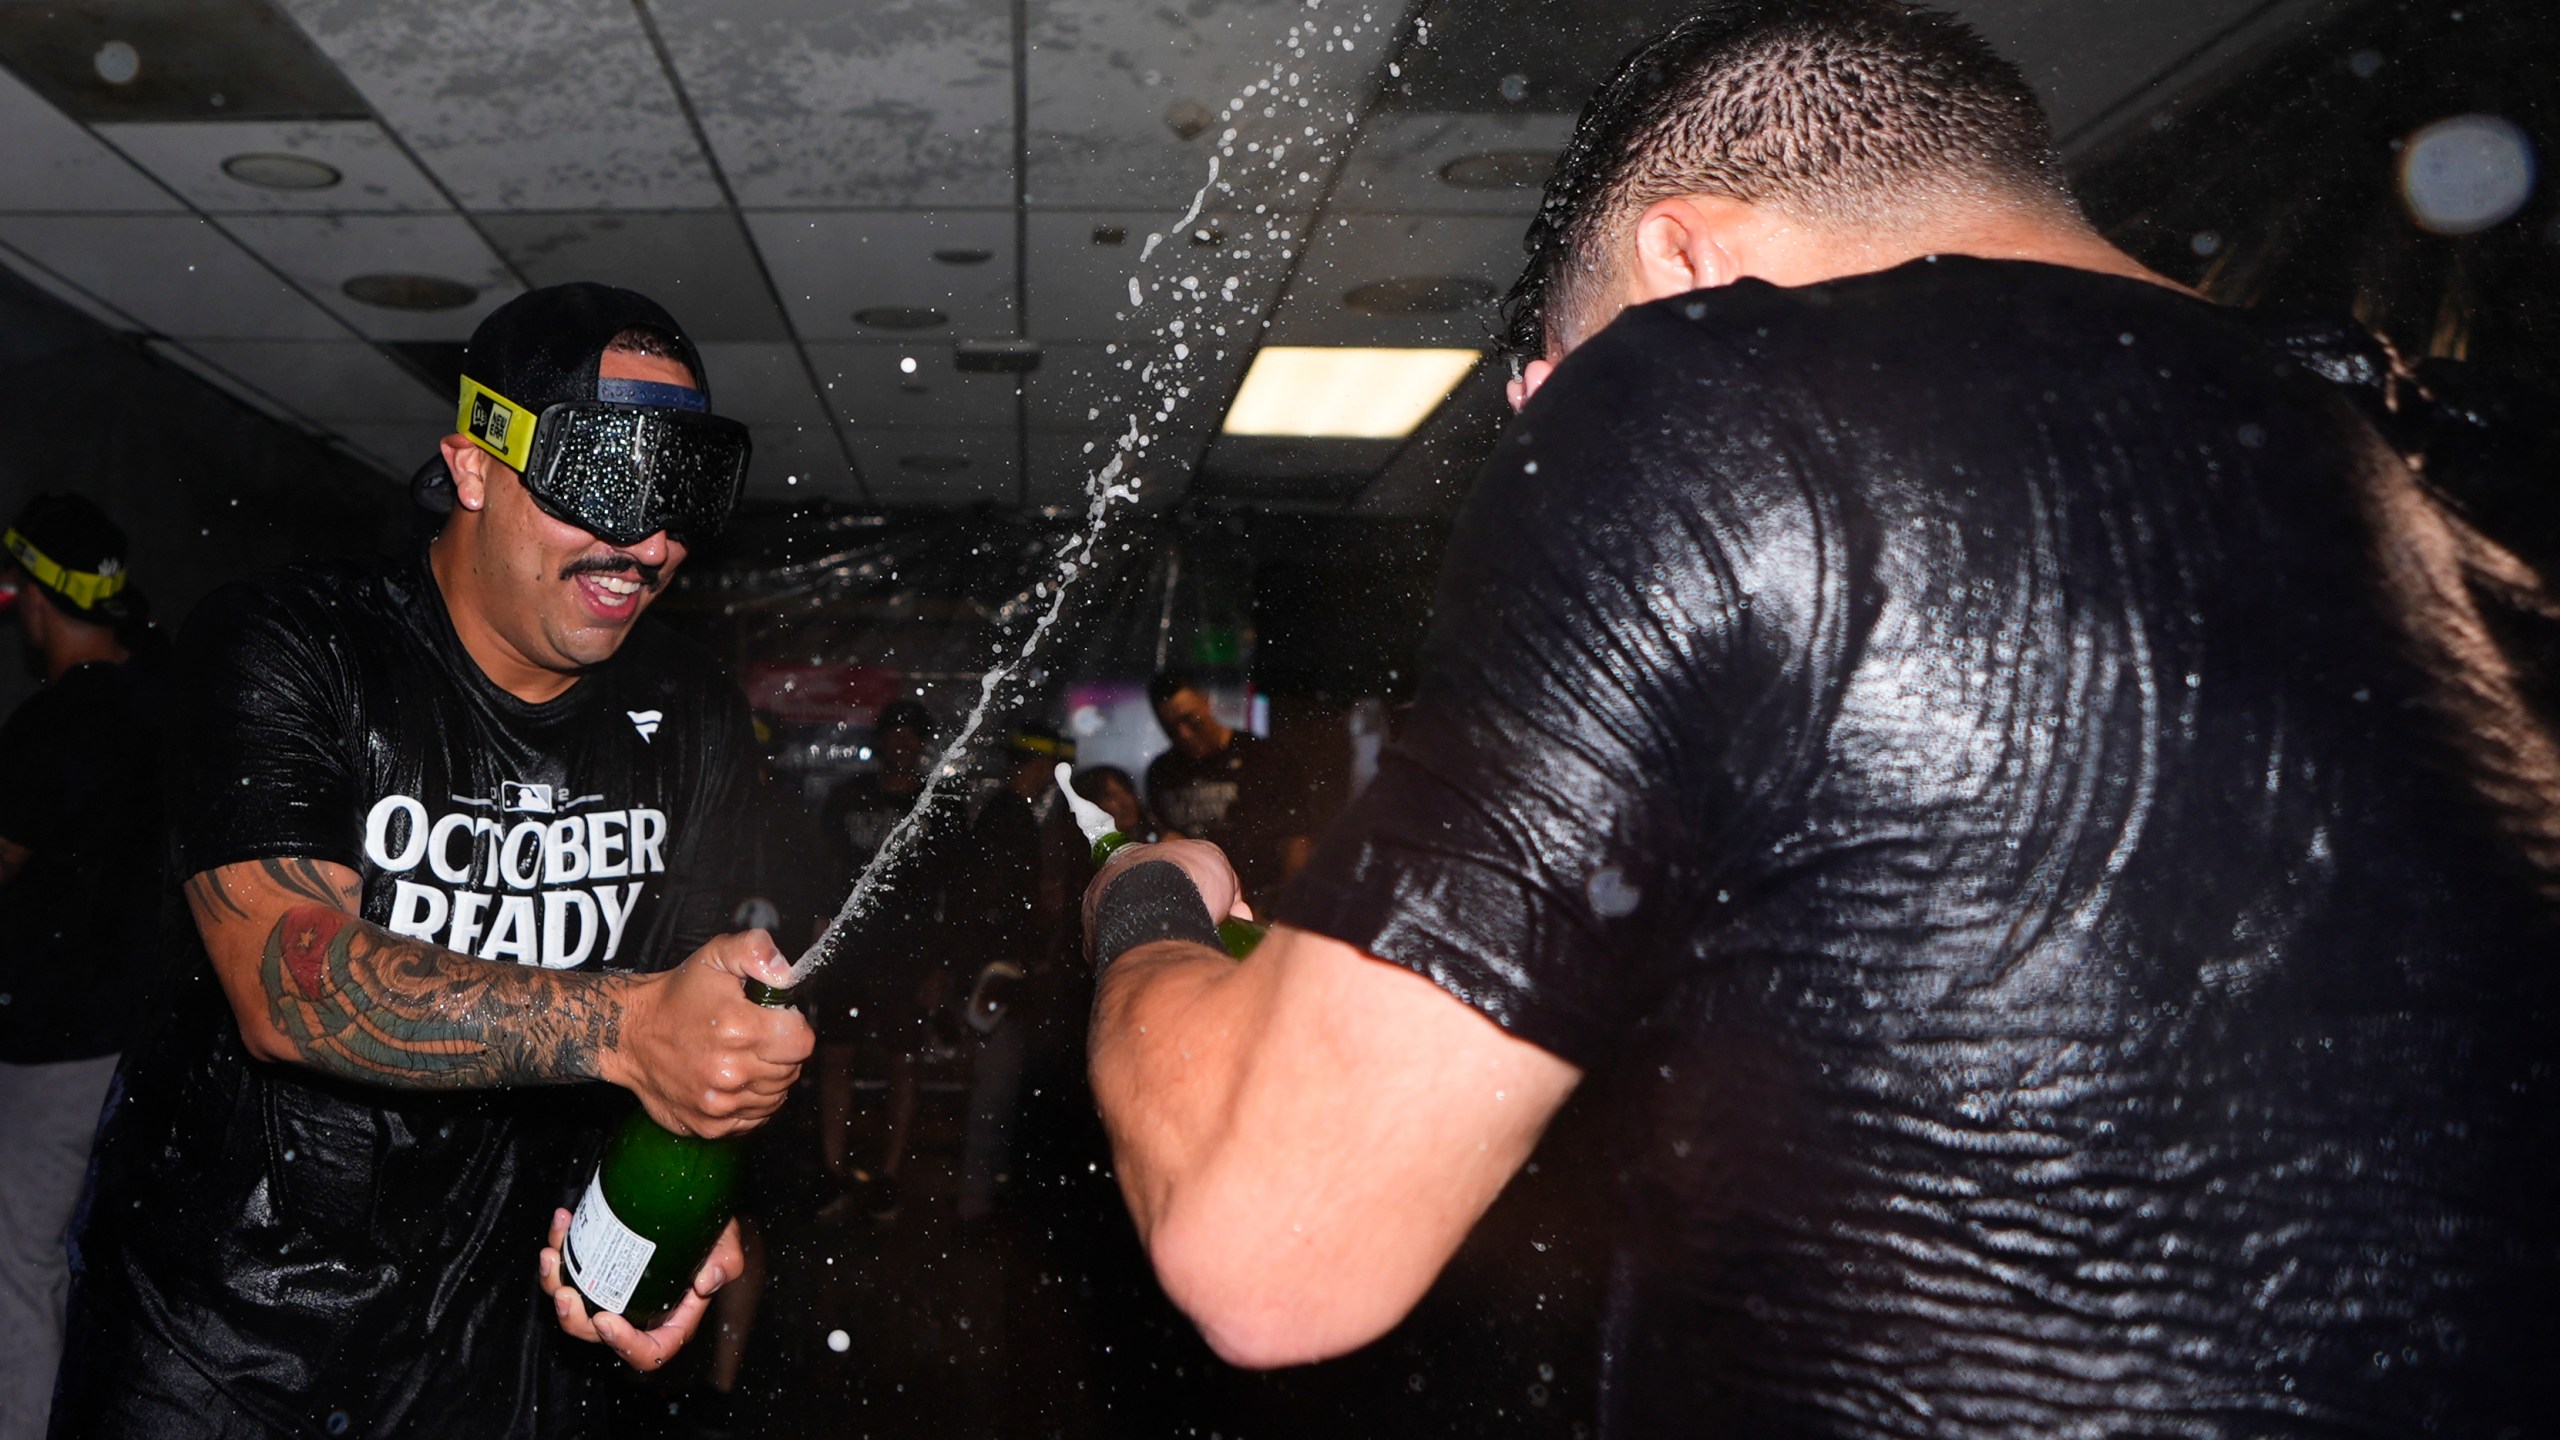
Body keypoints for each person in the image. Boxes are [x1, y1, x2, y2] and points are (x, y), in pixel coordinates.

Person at [1076, 4, 2559, 1436]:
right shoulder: (2491, 467)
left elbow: (1277, 1241)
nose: (1550, 429)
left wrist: (1147, 908)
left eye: (1555, 381)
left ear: (1683, 260)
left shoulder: (1707, 381)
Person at [50, 282, 815, 1439]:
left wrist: (663, 1233)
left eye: (679, 496)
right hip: (228, 1340)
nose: (645, 543)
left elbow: (688, 1016)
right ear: (471, 465)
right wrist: (625, 1028)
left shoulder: (691, 710)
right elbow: (283, 976)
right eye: (601, 481)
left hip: (504, 1336)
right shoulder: (295, 646)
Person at [0, 497, 163, 1440]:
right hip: (141, 1037)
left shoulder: (52, 726)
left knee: (19, 1257)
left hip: (55, 1045)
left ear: (34, 601)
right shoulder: (162, 699)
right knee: (101, 1253)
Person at [1142, 670, 1312, 899]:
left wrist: (1289, 903)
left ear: (1205, 701)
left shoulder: (1263, 756)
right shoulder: (1162, 772)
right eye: (1171, 729)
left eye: (1191, 720)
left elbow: (1296, 837)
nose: (1185, 735)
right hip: (1197, 904)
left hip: (1260, 898)